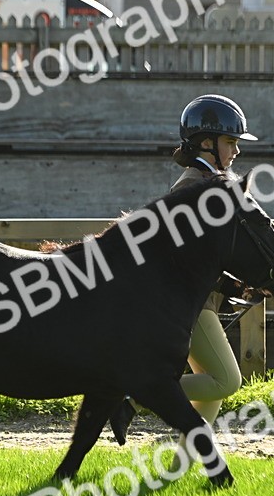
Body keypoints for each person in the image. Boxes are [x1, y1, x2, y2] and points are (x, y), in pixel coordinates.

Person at [110, 94, 260, 445]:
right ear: (206, 144)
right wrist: (239, 288)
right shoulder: (194, 189)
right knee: (226, 380)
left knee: (213, 387)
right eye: (231, 142)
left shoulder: (206, 185)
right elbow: (192, 261)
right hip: (192, 308)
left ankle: (182, 458)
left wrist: (243, 286)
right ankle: (134, 396)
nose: (236, 151)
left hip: (198, 302)